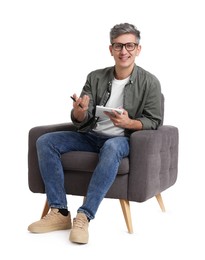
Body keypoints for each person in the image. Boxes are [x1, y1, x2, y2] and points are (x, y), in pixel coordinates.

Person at [28, 22, 162, 244]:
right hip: (91, 136)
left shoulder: (150, 82)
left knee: (111, 146)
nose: (123, 51)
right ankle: (60, 212)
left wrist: (129, 123)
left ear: (138, 49)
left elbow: (155, 120)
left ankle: (84, 216)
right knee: (45, 141)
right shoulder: (95, 77)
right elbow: (84, 113)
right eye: (118, 46)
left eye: (129, 46)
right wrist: (78, 112)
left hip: (121, 140)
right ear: (110, 49)